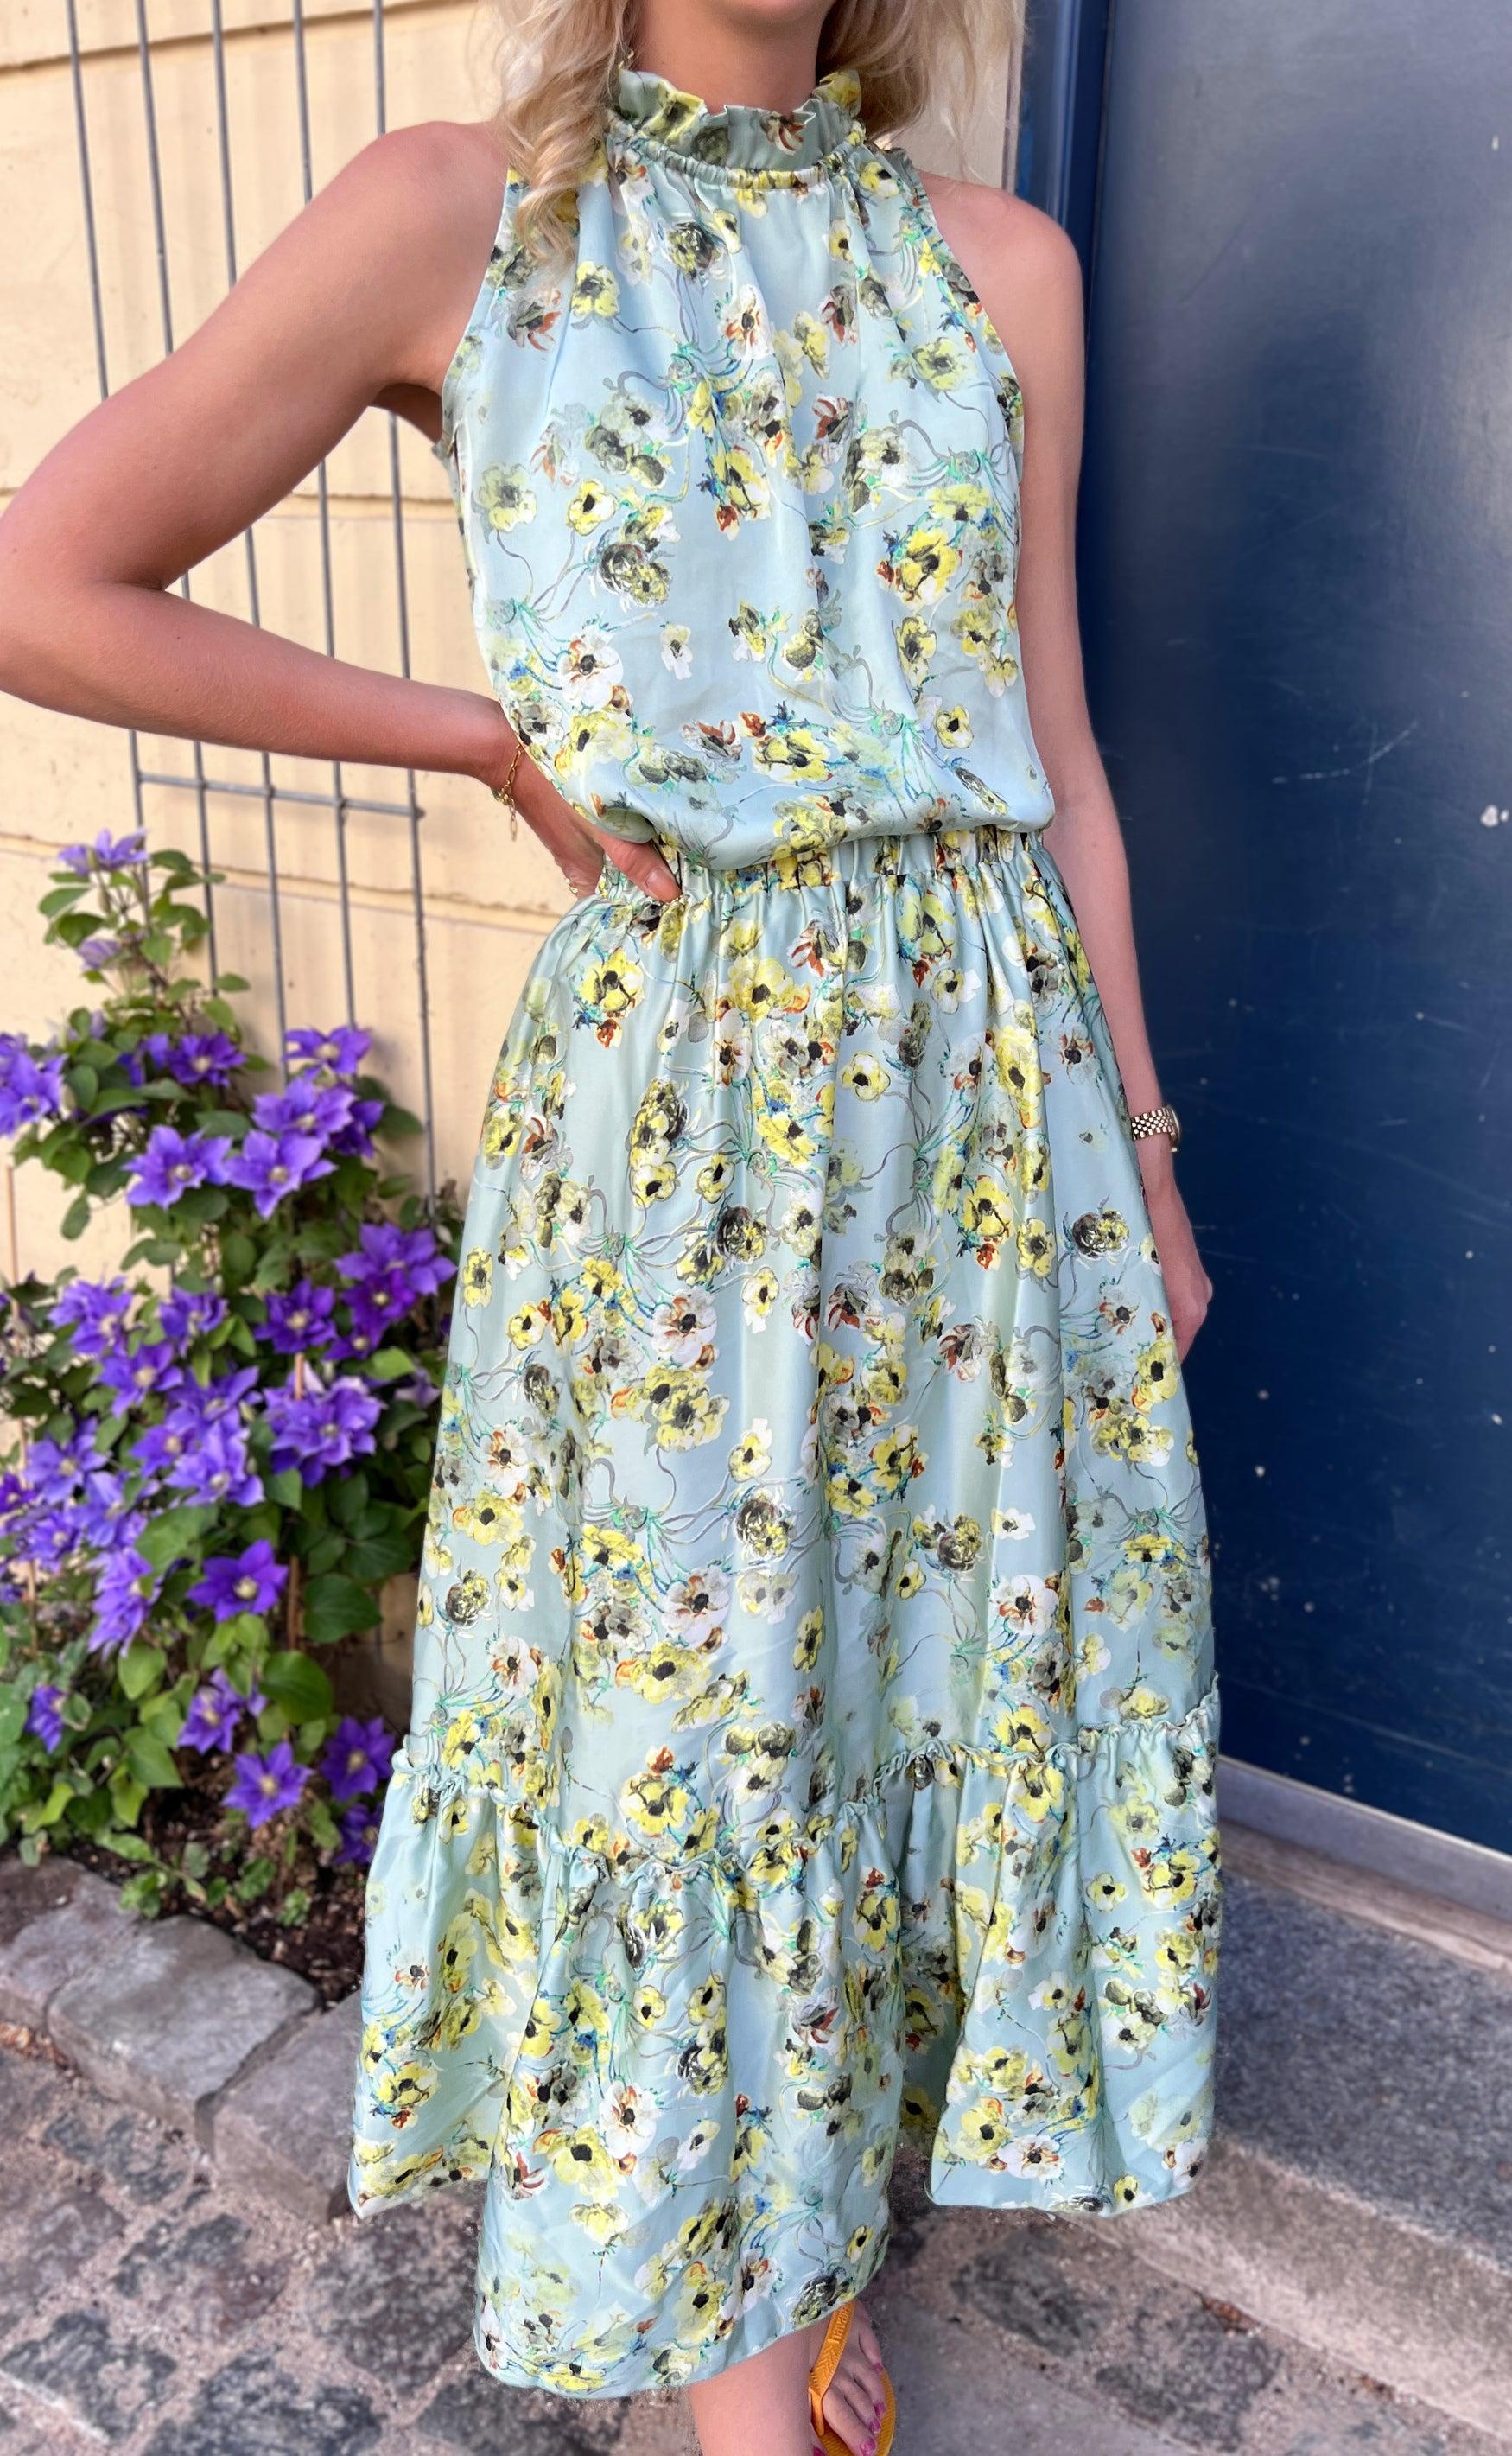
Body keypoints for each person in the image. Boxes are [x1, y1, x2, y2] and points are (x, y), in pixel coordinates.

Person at [0, 3, 1222, 2450]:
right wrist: (479, 736)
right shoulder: (461, 217)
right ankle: (741, 2380)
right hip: (682, 1133)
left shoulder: (1008, 264)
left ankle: (798, 2240)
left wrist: (1151, 1163)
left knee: (907, 1677)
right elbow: (49, 581)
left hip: (989, 1113)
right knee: (701, 1721)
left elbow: (1058, 756)